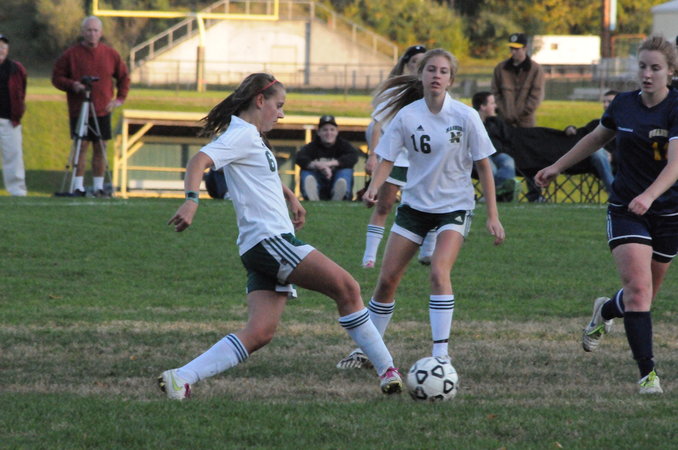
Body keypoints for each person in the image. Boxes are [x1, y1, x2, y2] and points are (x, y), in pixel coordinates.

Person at [160, 73, 403, 400]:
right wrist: (191, 200)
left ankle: (181, 378)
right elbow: (199, 160)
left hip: (257, 247)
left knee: (260, 332)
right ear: (260, 101)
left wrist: (290, 197)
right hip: (270, 241)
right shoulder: (242, 134)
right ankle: (388, 370)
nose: (282, 114)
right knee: (347, 287)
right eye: (279, 105)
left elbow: (262, 175)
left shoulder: (251, 136)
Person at [337, 49, 505, 371]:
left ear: (451, 79)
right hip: (415, 205)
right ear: (422, 75)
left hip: (454, 206)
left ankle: (441, 356)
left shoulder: (465, 116)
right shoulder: (407, 115)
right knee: (387, 280)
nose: (436, 75)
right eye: (431, 70)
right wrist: (373, 187)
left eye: (443, 71)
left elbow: (484, 166)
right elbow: (387, 158)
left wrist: (493, 216)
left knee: (439, 272)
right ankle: (369, 351)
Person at [535, 36, 678, 394]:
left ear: (671, 72)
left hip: (667, 211)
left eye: (656, 68)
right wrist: (556, 166)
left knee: (642, 295)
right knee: (639, 291)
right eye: (642, 66)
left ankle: (605, 311)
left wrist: (651, 195)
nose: (647, 74)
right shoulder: (623, 104)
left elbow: (676, 165)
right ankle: (648, 375)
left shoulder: (676, 107)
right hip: (627, 208)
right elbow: (596, 139)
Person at [361, 44, 436, 269]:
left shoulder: (435, 94)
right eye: (414, 62)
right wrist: (372, 156)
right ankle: (370, 257)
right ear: (406, 64)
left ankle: (428, 250)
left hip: (421, 159)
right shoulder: (395, 92)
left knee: (428, 203)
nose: (418, 67)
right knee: (384, 205)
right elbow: (377, 124)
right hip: (396, 159)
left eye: (423, 63)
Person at [52, 16, 129, 197]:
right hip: (79, 110)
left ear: (101, 33)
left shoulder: (111, 54)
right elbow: (57, 77)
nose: (92, 34)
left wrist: (119, 99)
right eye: (88, 30)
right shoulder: (71, 54)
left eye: (95, 30)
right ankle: (78, 187)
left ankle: (98, 187)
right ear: (83, 32)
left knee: (100, 147)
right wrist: (74, 85)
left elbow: (124, 77)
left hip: (102, 109)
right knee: (81, 146)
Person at [492, 32, 545, 202]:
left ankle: (534, 193)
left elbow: (536, 96)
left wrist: (519, 114)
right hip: (504, 122)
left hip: (526, 123)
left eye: (517, 49)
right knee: (504, 155)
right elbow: (495, 93)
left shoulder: (535, 69)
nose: (513, 52)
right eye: (511, 49)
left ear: (525, 48)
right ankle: (503, 191)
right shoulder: (500, 68)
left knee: (529, 157)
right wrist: (505, 113)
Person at [563, 90, 618, 193]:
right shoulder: (596, 124)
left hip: (622, 165)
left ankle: (616, 194)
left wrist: (613, 156)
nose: (606, 105)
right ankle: (614, 193)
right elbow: (581, 134)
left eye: (609, 102)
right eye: (604, 102)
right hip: (599, 164)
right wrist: (569, 128)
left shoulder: (627, 125)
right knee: (598, 152)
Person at [295, 114, 359, 201]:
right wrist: (318, 166)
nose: (329, 133)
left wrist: (329, 164)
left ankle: (340, 196)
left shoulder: (344, 145)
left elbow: (353, 156)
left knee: (346, 171)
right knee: (306, 171)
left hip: (336, 178)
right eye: (325, 130)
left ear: (337, 132)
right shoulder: (312, 146)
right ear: (319, 132)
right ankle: (311, 196)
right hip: (319, 181)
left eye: (332, 130)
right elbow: (300, 158)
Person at [471, 91, 518, 202]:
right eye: (492, 103)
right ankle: (498, 194)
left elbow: (506, 139)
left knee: (508, 160)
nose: (495, 106)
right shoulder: (472, 122)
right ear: (482, 106)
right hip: (479, 155)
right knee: (490, 167)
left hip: (497, 154)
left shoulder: (496, 122)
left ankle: (499, 193)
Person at [0, 34, 27, 196]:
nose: (1, 50)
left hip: (10, 120)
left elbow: (22, 90)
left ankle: (17, 191)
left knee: (14, 156)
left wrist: (19, 110)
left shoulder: (16, 68)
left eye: (3, 46)